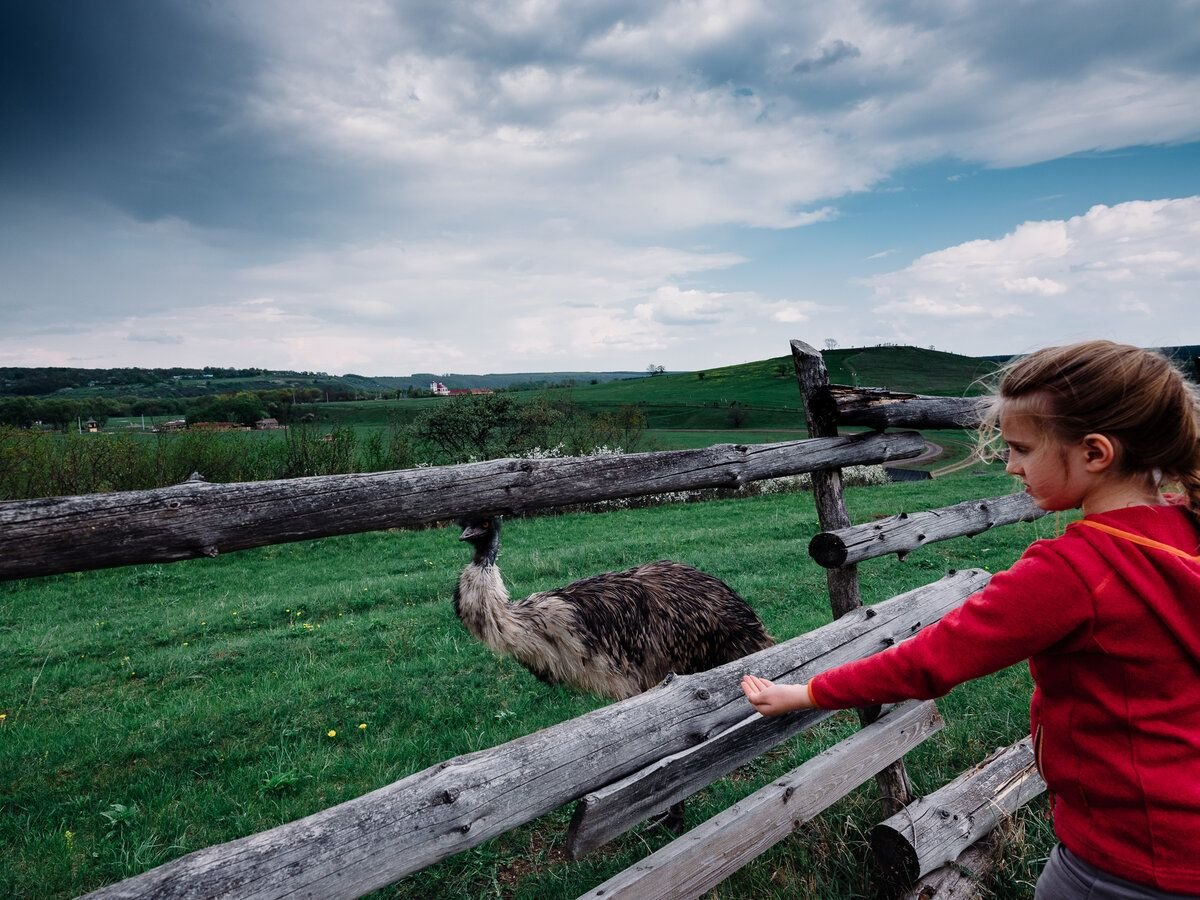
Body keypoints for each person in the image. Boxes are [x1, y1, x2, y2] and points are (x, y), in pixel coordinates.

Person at [741, 340, 1200, 899]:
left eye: (1022, 449)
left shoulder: (1073, 572)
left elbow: (930, 660)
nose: (1010, 466)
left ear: (1096, 453)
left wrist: (808, 691)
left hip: (1128, 855)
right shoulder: (1185, 530)